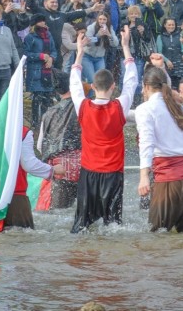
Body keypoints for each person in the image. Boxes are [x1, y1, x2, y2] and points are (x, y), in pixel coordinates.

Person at [70, 27, 137, 233]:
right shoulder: (120, 106)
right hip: (112, 174)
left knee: (81, 226)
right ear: (112, 86)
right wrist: (125, 47)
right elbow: (132, 81)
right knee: (113, 226)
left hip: (89, 173)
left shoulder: (82, 106)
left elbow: (73, 83)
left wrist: (79, 52)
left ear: (92, 86)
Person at [0, 122, 65, 230]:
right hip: (14, 196)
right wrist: (52, 170)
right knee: (21, 239)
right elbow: (29, 165)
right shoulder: (23, 132)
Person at [136, 65, 183, 232]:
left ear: (145, 87)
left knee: (156, 236)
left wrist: (144, 176)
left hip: (170, 180)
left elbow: (146, 143)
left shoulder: (145, 109)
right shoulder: (182, 110)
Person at [36, 71, 82, 210]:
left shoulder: (48, 113)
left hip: (60, 170)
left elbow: (40, 146)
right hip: (84, 167)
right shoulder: (83, 107)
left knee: (58, 214)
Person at [24, 13, 58, 128]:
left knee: (47, 99)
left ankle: (45, 122)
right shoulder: (30, 37)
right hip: (35, 72)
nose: (44, 23)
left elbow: (54, 50)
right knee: (37, 98)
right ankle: (35, 123)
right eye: (41, 21)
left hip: (47, 73)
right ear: (35, 23)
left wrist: (52, 59)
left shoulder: (49, 35)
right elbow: (26, 54)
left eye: (44, 21)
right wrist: (41, 56)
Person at [82, 12, 119, 86]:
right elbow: (87, 43)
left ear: (107, 20)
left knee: (101, 80)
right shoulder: (91, 27)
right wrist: (98, 35)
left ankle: (97, 96)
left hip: (99, 58)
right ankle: (90, 96)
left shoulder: (110, 28)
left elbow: (115, 44)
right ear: (97, 19)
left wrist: (109, 35)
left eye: (104, 19)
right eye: (100, 19)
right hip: (87, 56)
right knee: (91, 79)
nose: (102, 21)